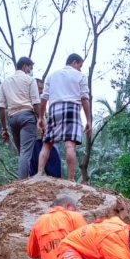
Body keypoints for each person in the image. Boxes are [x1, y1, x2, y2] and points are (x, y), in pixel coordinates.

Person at [37, 54, 92, 182]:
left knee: (47, 144)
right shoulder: (80, 76)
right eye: (80, 65)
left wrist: (41, 117)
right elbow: (84, 98)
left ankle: (39, 173)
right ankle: (71, 178)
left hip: (54, 109)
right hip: (72, 108)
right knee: (69, 145)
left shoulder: (52, 75)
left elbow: (44, 97)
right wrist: (88, 120)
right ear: (74, 62)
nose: (80, 69)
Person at [0, 57, 42, 179]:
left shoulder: (5, 82)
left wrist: (4, 129)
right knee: (25, 153)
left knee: (21, 152)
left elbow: (1, 107)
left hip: (13, 119)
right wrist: (41, 120)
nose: (30, 71)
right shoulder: (30, 80)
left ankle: (24, 179)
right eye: (30, 68)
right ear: (25, 66)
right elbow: (35, 103)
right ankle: (22, 182)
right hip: (27, 117)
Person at [28, 77, 62, 178]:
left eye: (43, 89)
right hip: (35, 135)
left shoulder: (41, 100)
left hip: (45, 134)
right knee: (34, 160)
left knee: (54, 159)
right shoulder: (29, 99)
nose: (41, 91)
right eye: (39, 88)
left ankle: (55, 180)